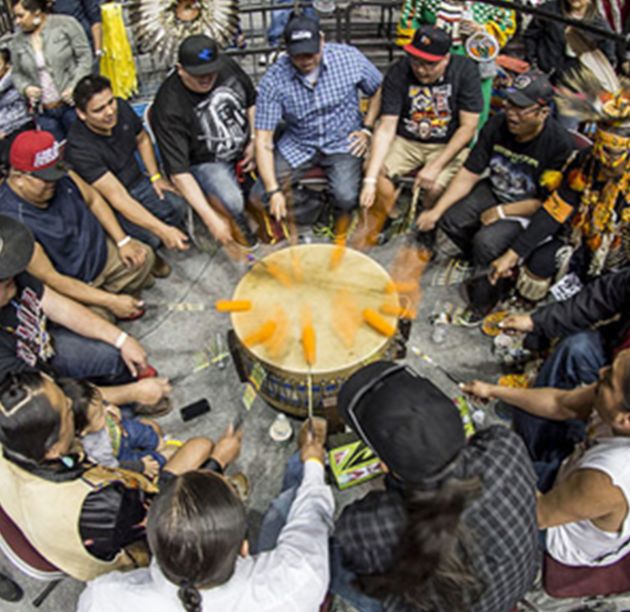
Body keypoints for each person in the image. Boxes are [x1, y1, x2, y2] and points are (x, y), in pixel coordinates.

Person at [332, 361, 539, 612]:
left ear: (384, 466)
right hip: (511, 589)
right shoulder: (506, 447)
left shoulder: (371, 525)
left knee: (332, 557)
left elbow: (354, 531)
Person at [0, 371, 240, 581]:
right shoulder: (102, 503)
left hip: (91, 520)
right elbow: (168, 524)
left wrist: (131, 394)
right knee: (203, 450)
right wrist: (218, 461)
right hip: (145, 540)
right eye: (68, 409)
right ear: (54, 450)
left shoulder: (16, 437)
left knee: (175, 441)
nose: (72, 402)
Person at [77, 418, 334, 611]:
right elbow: (312, 517)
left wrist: (218, 461)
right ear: (245, 548)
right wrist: (312, 463)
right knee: (288, 503)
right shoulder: (296, 580)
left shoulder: (103, 599)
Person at [464, 349, 630, 569]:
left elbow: (539, 514)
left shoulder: (612, 478)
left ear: (625, 420)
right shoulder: (613, 404)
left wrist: (495, 458)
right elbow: (560, 403)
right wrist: (493, 390)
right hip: (569, 474)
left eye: (609, 380)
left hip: (559, 530)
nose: (601, 371)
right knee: (523, 416)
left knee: (470, 487)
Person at [0, 214, 172, 418]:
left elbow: (60, 308)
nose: (12, 278)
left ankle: (129, 398)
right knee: (115, 422)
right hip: (41, 408)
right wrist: (131, 394)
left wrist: (121, 339)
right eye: (4, 280)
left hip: (44, 348)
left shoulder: (10, 279)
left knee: (113, 354)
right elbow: (55, 401)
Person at [417, 71, 574, 286]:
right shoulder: (496, 124)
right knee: (451, 218)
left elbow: (547, 204)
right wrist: (435, 211)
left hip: (529, 208)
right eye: (509, 104)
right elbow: (469, 173)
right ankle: (473, 258)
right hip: (496, 189)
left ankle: (492, 282)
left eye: (521, 109)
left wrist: (501, 212)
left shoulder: (559, 144)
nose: (511, 113)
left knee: (487, 242)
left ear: (543, 112)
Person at [488, 72, 629, 302]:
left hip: (619, 261)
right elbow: (555, 209)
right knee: (539, 262)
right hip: (578, 240)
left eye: (612, 153)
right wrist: (513, 254)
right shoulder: (586, 162)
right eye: (599, 149)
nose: (603, 160)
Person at [0, 129, 155, 321]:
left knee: (144, 256)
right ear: (18, 178)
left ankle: (121, 293)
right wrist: (110, 301)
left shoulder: (63, 175)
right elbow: (52, 279)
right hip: (73, 282)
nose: (53, 182)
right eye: (45, 178)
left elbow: (93, 200)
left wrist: (122, 241)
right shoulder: (11, 223)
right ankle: (115, 300)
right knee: (100, 325)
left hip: (102, 255)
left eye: (55, 173)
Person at [253, 14, 382, 228]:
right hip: (299, 141)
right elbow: (263, 139)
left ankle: (334, 211)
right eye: (298, 55)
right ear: (287, 51)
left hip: (343, 139)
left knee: (346, 197)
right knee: (260, 196)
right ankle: (316, 205)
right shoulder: (274, 79)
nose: (305, 61)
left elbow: (379, 88)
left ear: (322, 40)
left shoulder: (349, 58)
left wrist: (367, 128)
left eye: (311, 53)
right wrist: (274, 191)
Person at [359, 26, 482, 245]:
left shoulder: (465, 70)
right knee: (375, 169)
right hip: (408, 139)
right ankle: (392, 215)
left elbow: (468, 127)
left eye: (430, 64)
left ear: (445, 59)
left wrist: (435, 166)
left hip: (448, 142)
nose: (421, 70)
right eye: (416, 61)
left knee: (433, 186)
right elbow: (387, 126)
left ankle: (428, 224)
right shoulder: (400, 70)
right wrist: (369, 179)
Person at [66, 75, 189, 262]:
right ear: (82, 114)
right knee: (151, 238)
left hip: (138, 181)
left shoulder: (121, 108)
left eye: (110, 102)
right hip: (114, 200)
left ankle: (167, 233)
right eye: (99, 110)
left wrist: (156, 177)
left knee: (177, 206)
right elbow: (117, 196)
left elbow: (142, 139)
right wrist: (162, 230)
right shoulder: (79, 147)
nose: (109, 112)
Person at [151, 34, 257, 249]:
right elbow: (179, 173)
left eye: (211, 72)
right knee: (231, 200)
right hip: (206, 160)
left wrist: (254, 140)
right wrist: (211, 219)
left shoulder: (225, 65)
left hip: (245, 141)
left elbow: (252, 102)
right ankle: (236, 217)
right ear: (180, 69)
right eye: (198, 74)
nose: (207, 78)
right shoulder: (168, 104)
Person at [396, 0, 516, 128]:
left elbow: (506, 23)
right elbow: (410, 18)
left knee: (473, 111)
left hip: (476, 57)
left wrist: (482, 30)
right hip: (432, 60)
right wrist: (423, 43)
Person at [10, 0, 92, 140]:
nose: (17, 22)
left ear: (36, 11)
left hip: (72, 105)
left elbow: (84, 57)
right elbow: (17, 74)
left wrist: (74, 85)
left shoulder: (65, 24)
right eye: (15, 17)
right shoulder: (17, 41)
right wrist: (26, 88)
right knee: (57, 154)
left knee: (84, 146)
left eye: (21, 16)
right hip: (44, 112)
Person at [64, 378, 174, 478]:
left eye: (103, 404)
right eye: (99, 415)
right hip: (119, 454)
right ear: (82, 431)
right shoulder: (96, 449)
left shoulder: (98, 412)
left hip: (119, 430)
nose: (106, 411)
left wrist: (110, 408)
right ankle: (163, 457)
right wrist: (140, 466)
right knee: (149, 462)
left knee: (141, 430)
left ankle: (158, 443)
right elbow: (114, 467)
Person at [524, 0, 616, 83]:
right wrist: (532, 61)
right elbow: (531, 35)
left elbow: (607, 61)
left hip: (575, 85)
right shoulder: (549, 10)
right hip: (543, 76)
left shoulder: (600, 27)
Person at [0, 48, 34, 173]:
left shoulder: (16, 82)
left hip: (18, 126)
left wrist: (3, 131)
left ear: (7, 66)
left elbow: (21, 113)